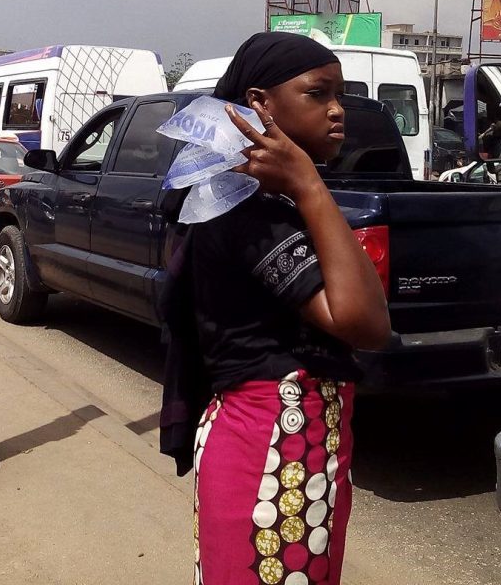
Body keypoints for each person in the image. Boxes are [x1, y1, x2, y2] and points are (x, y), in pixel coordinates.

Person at [163, 32, 391, 585]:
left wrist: (307, 188)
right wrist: (310, 185)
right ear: (261, 104)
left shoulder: (263, 197)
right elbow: (365, 324)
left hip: (293, 445)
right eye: (319, 94)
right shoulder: (241, 206)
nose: (339, 110)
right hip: (269, 444)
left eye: (342, 94)